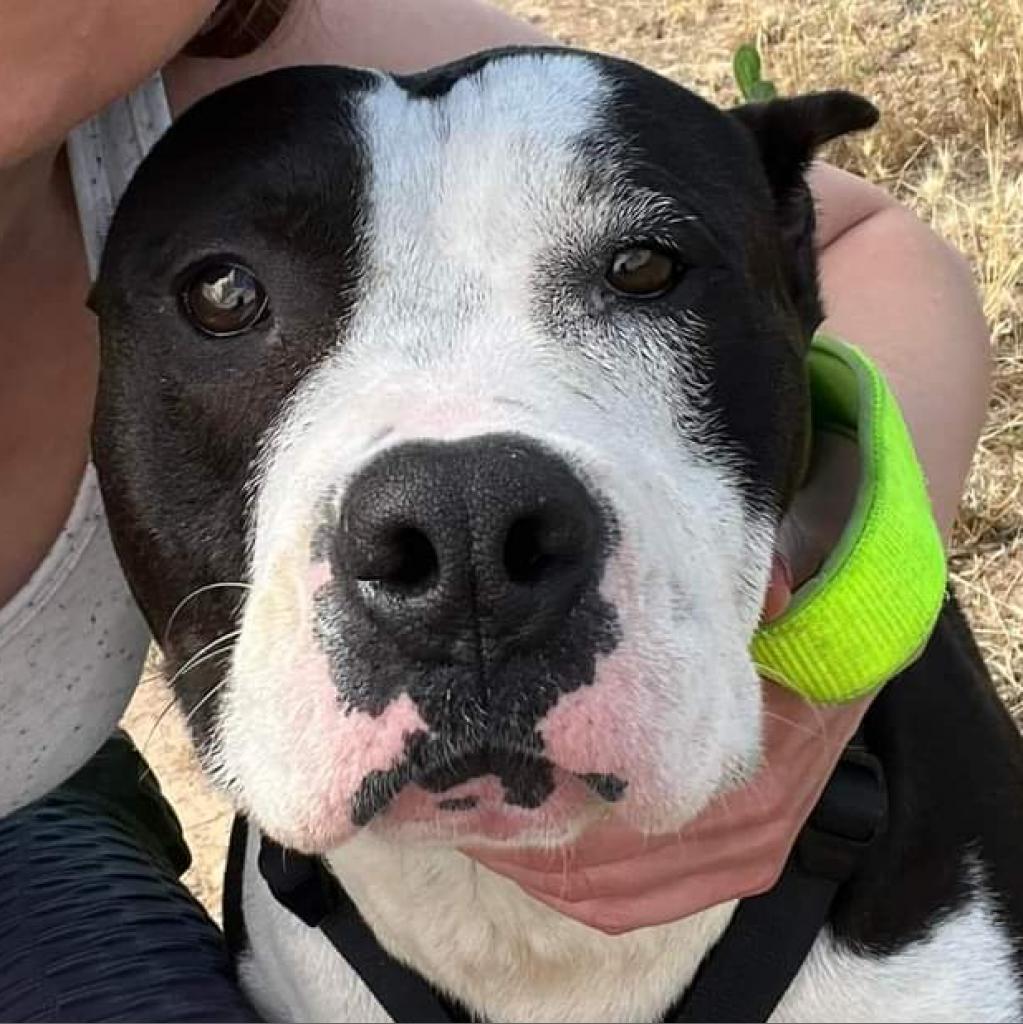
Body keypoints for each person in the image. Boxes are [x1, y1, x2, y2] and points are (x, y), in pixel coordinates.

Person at [0, 0, 990, 1017]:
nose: (454, 542)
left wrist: (840, 650)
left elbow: (863, 236)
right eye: (228, 299)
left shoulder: (185, 60)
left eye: (641, 271)